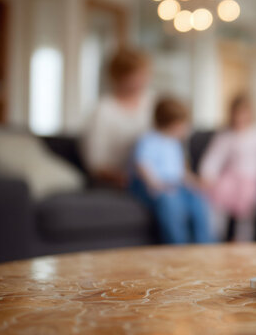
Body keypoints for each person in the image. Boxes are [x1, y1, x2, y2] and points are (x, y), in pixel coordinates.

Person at [130, 97, 214, 244]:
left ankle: (205, 244)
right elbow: (142, 164)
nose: (188, 128)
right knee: (171, 203)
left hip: (175, 185)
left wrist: (196, 182)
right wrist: (156, 184)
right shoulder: (149, 139)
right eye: (184, 124)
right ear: (173, 124)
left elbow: (180, 172)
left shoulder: (175, 144)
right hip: (153, 186)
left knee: (198, 200)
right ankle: (177, 245)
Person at [199, 95, 256, 242]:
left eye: (243, 113)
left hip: (253, 179)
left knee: (247, 208)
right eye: (236, 114)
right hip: (230, 178)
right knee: (215, 199)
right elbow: (213, 158)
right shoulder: (226, 135)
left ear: (251, 114)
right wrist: (207, 175)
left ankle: (243, 240)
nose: (240, 118)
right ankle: (214, 238)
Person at [82, 48, 154, 188]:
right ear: (117, 77)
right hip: (120, 179)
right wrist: (125, 178)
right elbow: (95, 163)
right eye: (134, 75)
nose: (141, 79)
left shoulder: (155, 104)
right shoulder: (103, 111)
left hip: (155, 178)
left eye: (143, 74)